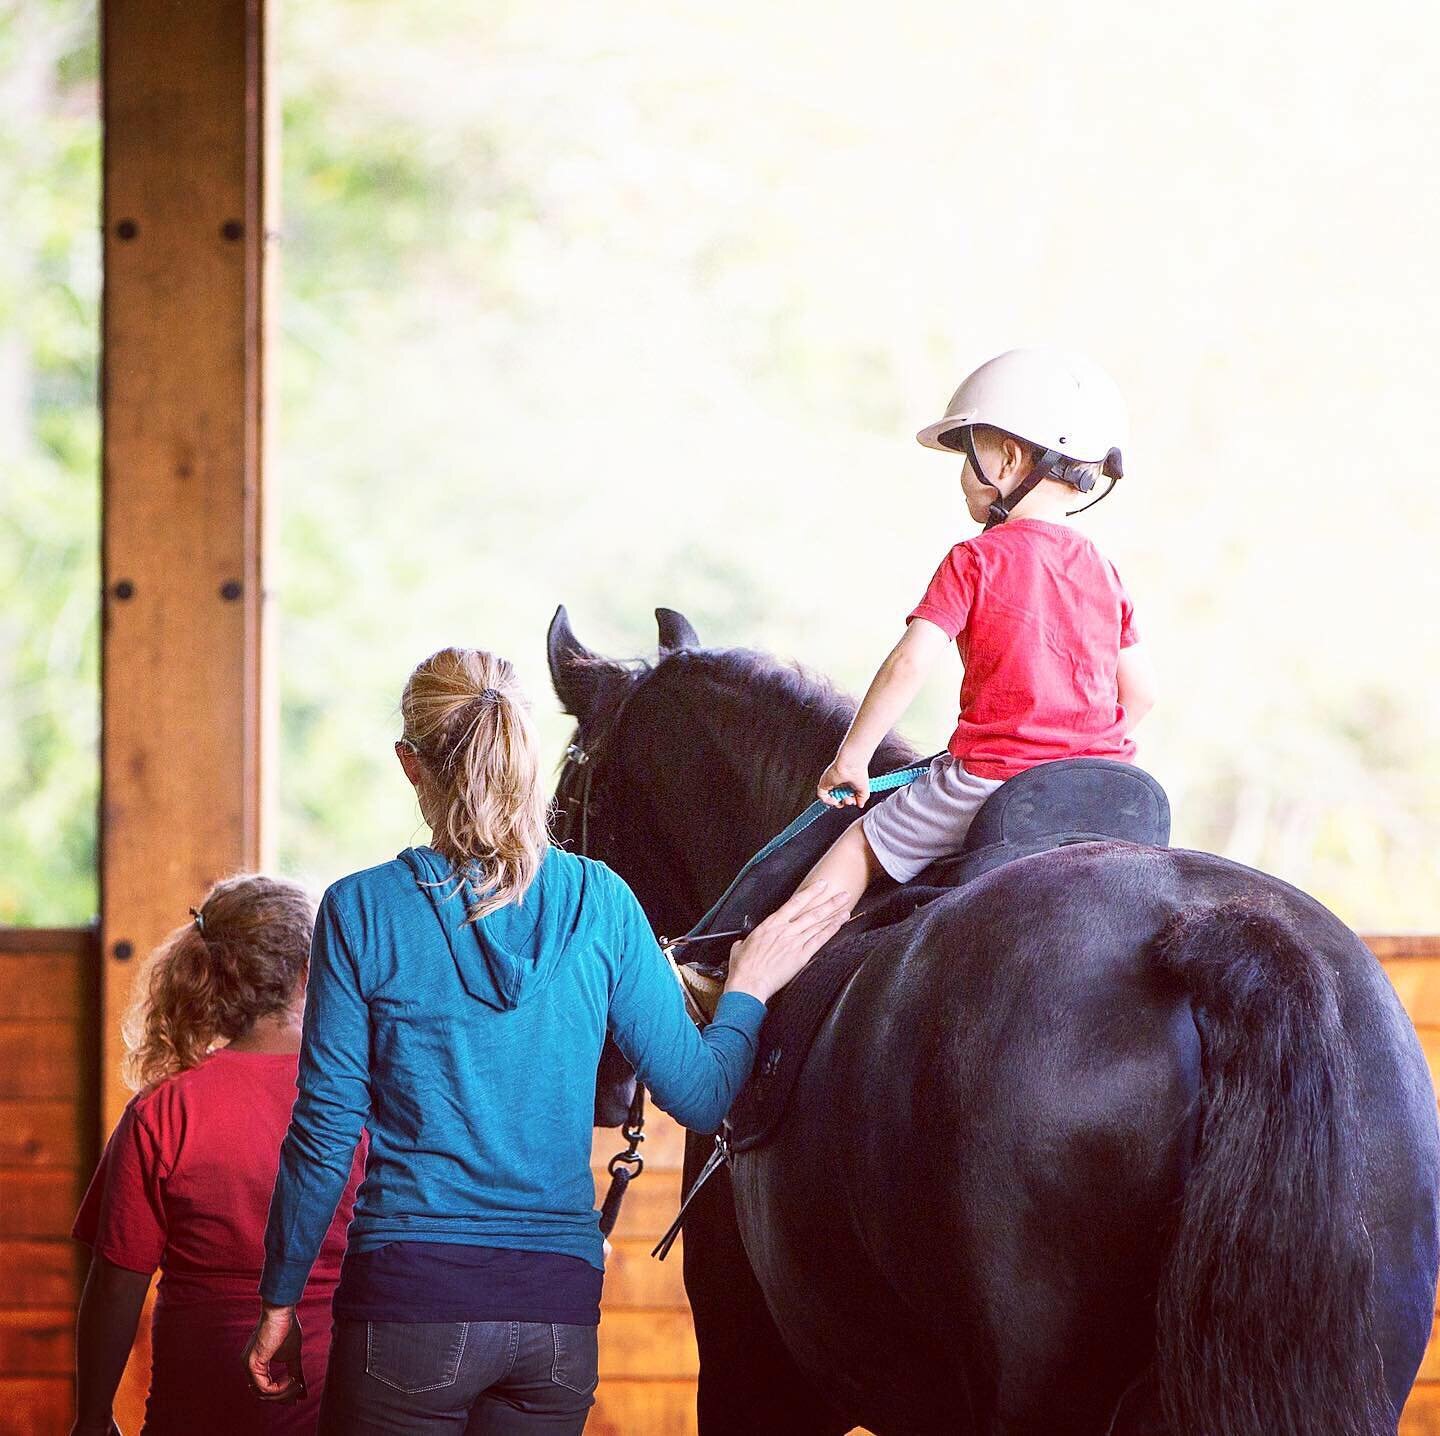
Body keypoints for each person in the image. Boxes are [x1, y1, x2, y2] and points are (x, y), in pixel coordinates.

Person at [244, 647, 848, 1434]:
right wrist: (747, 991)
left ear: (409, 765)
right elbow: (702, 1098)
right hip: (554, 1325)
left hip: (408, 1308)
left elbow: (323, 1135)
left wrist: (281, 1301)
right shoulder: (602, 902)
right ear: (526, 756)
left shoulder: (360, 912)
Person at [800, 347, 1159, 911]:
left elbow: (909, 663)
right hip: (1101, 787)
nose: (963, 478)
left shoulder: (975, 559)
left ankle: (746, 985)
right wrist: (1074, 747)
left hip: (990, 781)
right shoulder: (1103, 569)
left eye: (968, 459)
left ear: (1009, 460)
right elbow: (1141, 694)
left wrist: (852, 759)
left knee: (857, 847)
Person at [70, 875, 363, 1436]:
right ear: (313, 971)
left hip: (196, 1400)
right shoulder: (361, 1099)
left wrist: (91, 1417)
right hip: (335, 1396)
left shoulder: (161, 1110)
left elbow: (115, 1285)